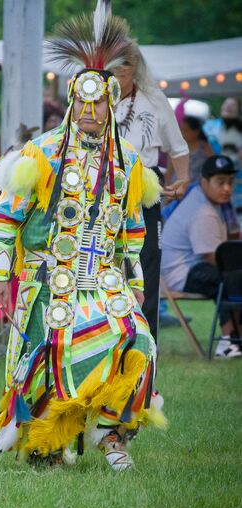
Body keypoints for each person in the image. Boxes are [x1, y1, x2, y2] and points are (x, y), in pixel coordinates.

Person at [0, 0, 165, 471]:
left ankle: (112, 434)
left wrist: (137, 287)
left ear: (111, 104)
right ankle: (48, 442)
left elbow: (132, 234)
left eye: (97, 102)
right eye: (81, 102)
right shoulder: (41, 154)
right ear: (71, 102)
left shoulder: (129, 162)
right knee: (53, 356)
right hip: (50, 281)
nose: (88, 110)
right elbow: (5, 218)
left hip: (104, 279)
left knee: (136, 341)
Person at [113, 48, 190, 343]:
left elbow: (178, 148)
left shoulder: (153, 99)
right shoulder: (93, 95)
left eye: (127, 63)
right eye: (115, 63)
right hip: (100, 185)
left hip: (144, 185)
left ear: (137, 67)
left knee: (144, 266)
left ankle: (144, 351)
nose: (121, 69)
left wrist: (182, 179)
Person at [161, 155, 242, 358]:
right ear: (204, 182)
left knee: (232, 276)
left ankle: (236, 338)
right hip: (180, 273)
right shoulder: (202, 212)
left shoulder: (207, 199)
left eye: (230, 183)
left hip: (192, 267)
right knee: (228, 278)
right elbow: (212, 257)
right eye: (220, 182)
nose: (227, 188)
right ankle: (228, 341)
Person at [166, 116, 213, 185]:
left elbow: (212, 166)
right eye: (181, 129)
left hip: (195, 187)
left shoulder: (204, 147)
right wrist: (167, 184)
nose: (182, 133)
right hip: (176, 186)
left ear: (196, 132)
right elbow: (170, 169)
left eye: (186, 130)